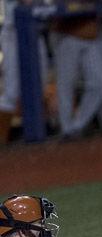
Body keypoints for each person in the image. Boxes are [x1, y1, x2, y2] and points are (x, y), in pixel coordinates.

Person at [50, 5, 102, 137]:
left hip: (90, 35)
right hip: (67, 35)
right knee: (66, 84)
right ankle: (66, 129)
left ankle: (77, 126)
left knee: (100, 83)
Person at [0, 0, 49, 143]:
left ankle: (36, 136)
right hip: (13, 32)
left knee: (40, 86)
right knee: (12, 92)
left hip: (36, 30)